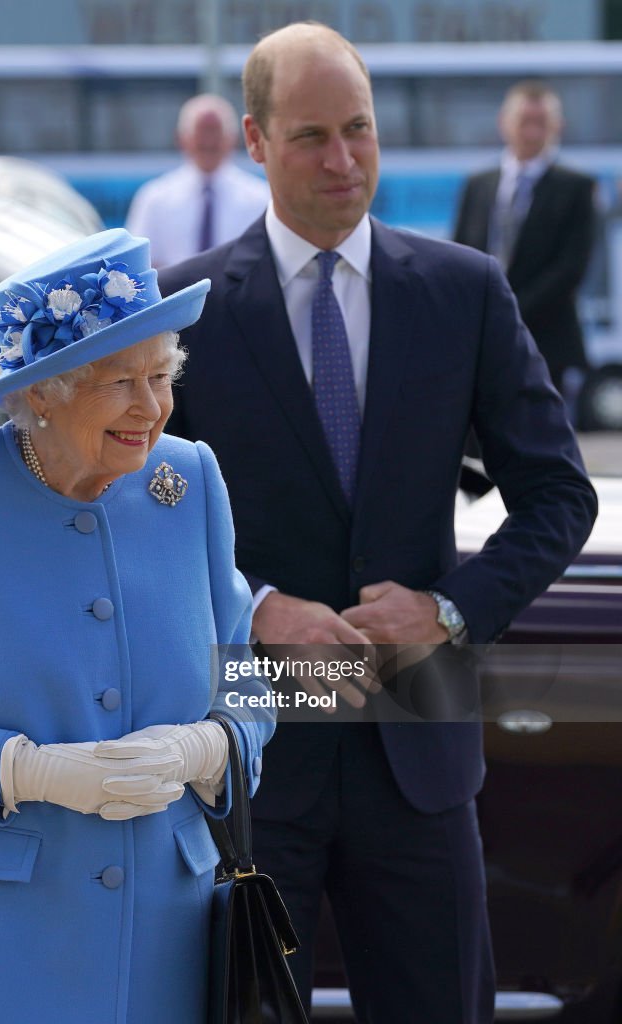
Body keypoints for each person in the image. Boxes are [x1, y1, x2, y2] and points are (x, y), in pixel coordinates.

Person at [159, 23, 598, 1024]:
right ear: (258, 140)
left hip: (416, 733)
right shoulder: (184, 307)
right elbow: (136, 517)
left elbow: (560, 496)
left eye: (359, 130)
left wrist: (449, 609)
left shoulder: (463, 293)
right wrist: (256, 606)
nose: (344, 160)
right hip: (257, 733)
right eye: (312, 136)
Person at [0, 228, 275, 1024]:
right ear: (43, 392)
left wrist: (206, 747)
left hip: (163, 944)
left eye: (161, 376)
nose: (152, 407)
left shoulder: (190, 480)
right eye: (121, 383)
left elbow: (247, 685)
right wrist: (27, 771)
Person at [454, 80, 596, 400]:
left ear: (557, 126)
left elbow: (571, 268)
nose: (532, 132)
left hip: (547, 343)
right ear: (504, 123)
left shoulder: (576, 187)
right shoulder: (478, 185)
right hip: (483, 340)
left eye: (541, 123)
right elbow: (459, 252)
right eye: (524, 121)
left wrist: (510, 309)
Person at [125, 93, 269, 266]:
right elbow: (137, 264)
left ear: (233, 139)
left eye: (215, 131)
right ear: (182, 139)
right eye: (201, 132)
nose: (208, 141)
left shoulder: (261, 200)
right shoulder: (153, 199)